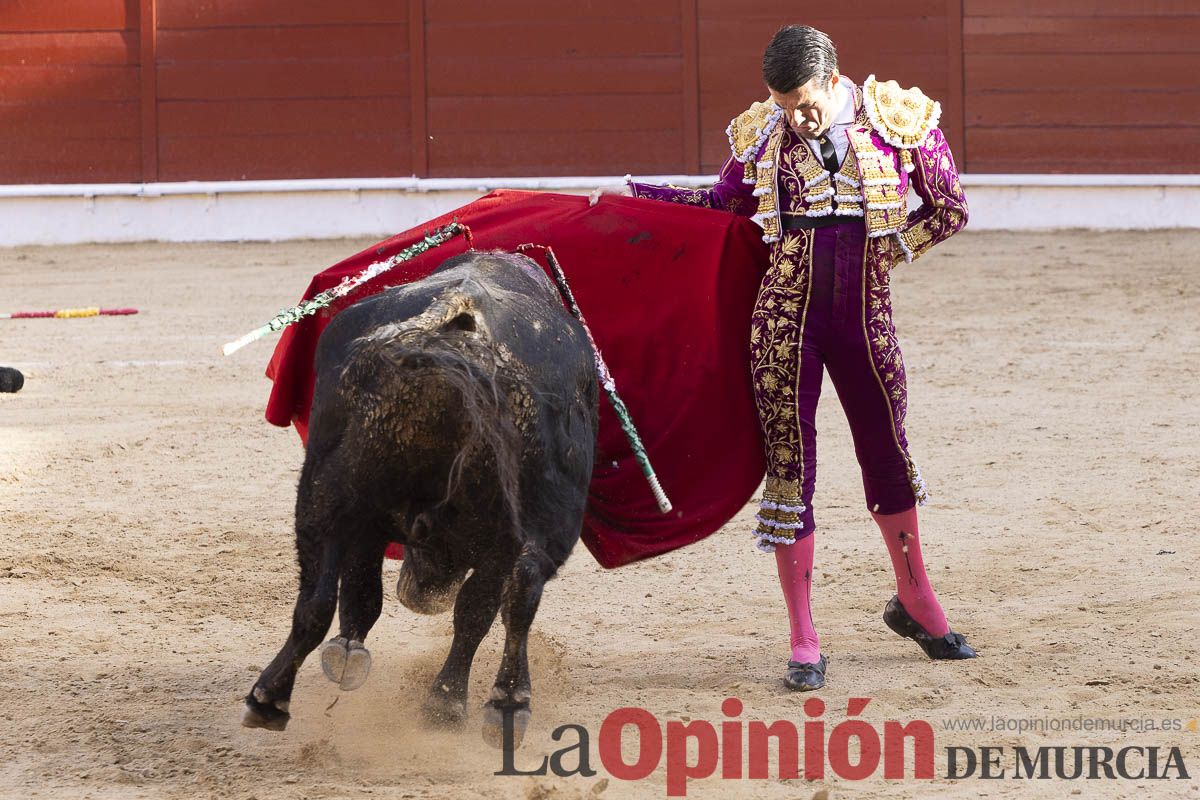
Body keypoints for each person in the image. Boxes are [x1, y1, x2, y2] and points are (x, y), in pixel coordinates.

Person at [593, 24, 976, 690]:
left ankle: (916, 601)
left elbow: (949, 207)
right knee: (790, 469)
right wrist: (640, 198)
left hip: (866, 317)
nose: (793, 117)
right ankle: (803, 638)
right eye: (780, 103)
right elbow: (723, 204)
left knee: (888, 454)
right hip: (784, 323)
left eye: (802, 102)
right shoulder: (765, 134)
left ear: (833, 82)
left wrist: (892, 247)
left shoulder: (897, 121)